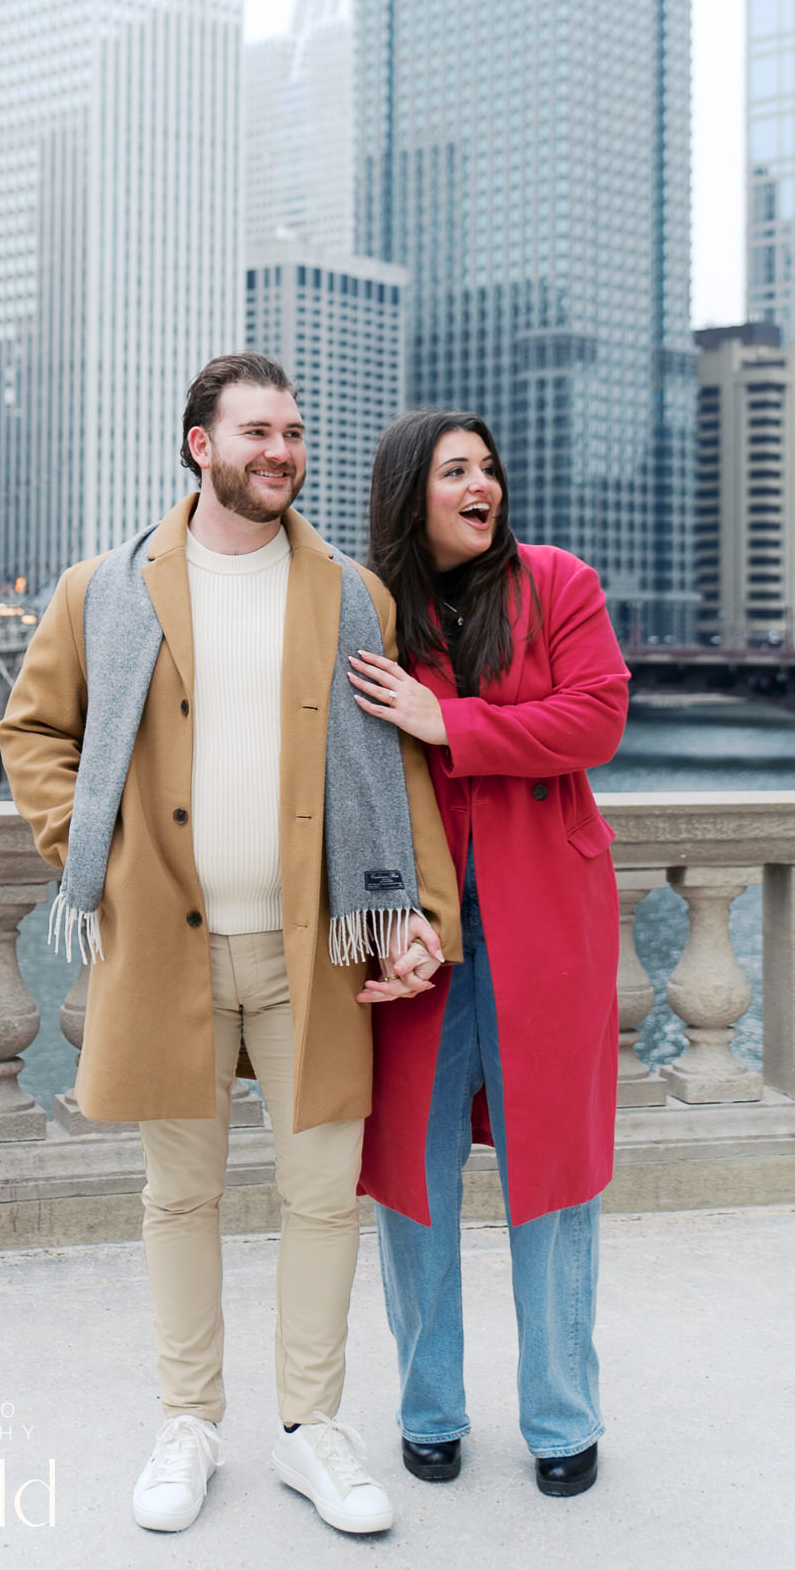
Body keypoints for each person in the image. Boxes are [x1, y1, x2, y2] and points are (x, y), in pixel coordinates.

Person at [0, 354, 459, 1539]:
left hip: (320, 944)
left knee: (320, 1196)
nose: (281, 450)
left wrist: (423, 914)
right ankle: (187, 1422)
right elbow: (35, 728)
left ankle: (311, 1428)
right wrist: (84, 845)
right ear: (198, 443)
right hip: (165, 943)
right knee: (180, 1191)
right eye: (256, 429)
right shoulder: (104, 586)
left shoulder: (352, 591)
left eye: (294, 431)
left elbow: (399, 764)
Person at [348, 409, 629, 1499]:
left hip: (547, 924)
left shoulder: (559, 581)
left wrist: (448, 720)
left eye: (489, 469)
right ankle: (428, 1408)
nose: (483, 486)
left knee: (551, 1176)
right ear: (410, 492)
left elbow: (594, 718)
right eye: (455, 470)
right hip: (413, 936)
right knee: (410, 1177)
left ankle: (563, 1415)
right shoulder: (369, 609)